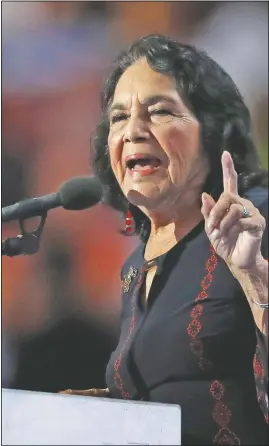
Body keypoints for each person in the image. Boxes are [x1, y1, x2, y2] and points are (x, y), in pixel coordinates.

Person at [60, 35, 268, 445]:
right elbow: (183, 386)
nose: (134, 130)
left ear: (213, 132)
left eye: (160, 112)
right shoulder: (134, 266)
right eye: (119, 118)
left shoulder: (254, 221)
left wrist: (255, 277)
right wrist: (106, 408)